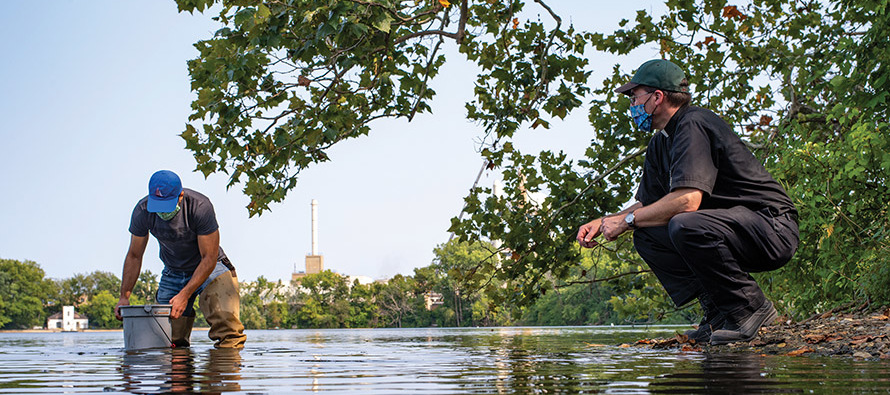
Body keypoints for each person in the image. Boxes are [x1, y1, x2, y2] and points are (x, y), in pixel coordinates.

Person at [576, 59, 799, 345]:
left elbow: (687, 202)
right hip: (732, 229)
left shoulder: (693, 123)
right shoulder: (660, 142)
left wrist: (627, 221)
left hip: (772, 228)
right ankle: (721, 312)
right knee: (648, 235)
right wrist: (606, 220)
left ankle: (751, 308)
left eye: (634, 96)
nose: (631, 104)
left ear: (657, 97)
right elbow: (649, 204)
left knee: (684, 223)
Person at [114, 170, 246, 348]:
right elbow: (134, 255)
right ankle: (180, 373)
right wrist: (124, 296)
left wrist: (184, 294)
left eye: (166, 204)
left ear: (180, 195)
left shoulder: (200, 206)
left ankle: (225, 371)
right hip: (173, 271)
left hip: (211, 268)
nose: (161, 211)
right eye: (157, 204)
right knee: (165, 339)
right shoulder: (142, 210)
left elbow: (209, 257)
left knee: (228, 331)